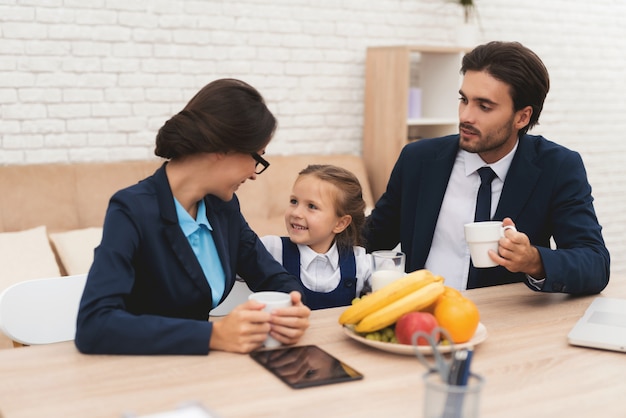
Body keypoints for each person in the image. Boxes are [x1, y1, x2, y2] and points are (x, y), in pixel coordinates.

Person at [75, 78, 311, 355]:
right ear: (223, 149)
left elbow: (271, 276)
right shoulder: (132, 209)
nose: (253, 174)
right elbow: (95, 325)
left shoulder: (223, 207)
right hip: (143, 373)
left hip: (203, 369)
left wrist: (294, 306)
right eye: (256, 158)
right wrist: (214, 335)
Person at [364, 41, 610, 294]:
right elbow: (372, 237)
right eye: (464, 100)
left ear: (522, 117)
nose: (465, 116)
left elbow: (595, 264)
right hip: (420, 316)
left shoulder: (557, 167)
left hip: (504, 322)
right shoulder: (419, 159)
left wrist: (534, 260)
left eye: (484, 106)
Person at [261, 164, 372, 309]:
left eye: (312, 206)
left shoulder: (360, 262)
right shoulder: (271, 249)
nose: (296, 213)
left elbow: (403, 286)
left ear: (340, 223)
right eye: (294, 201)